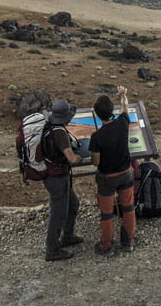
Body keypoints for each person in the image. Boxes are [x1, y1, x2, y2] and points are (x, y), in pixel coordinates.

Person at [90, 87, 137, 256]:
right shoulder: (122, 123)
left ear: (97, 114)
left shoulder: (97, 137)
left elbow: (96, 162)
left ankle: (106, 246)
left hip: (107, 178)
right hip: (126, 173)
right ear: (112, 110)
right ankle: (128, 242)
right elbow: (125, 107)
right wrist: (123, 95)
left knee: (107, 213)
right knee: (128, 208)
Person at [43, 99, 88, 261]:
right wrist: (79, 158)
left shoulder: (49, 126)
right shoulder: (60, 133)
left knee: (73, 203)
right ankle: (52, 250)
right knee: (58, 213)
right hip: (57, 177)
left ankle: (67, 236)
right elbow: (70, 158)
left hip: (53, 175)